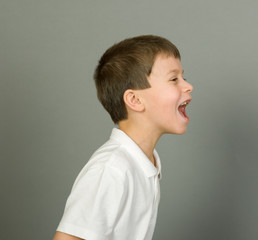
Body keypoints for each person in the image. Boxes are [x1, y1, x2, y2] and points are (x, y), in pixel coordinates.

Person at [53, 35, 194, 240]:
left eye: (184, 77)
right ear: (135, 100)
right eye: (174, 79)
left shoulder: (145, 162)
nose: (188, 86)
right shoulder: (111, 169)